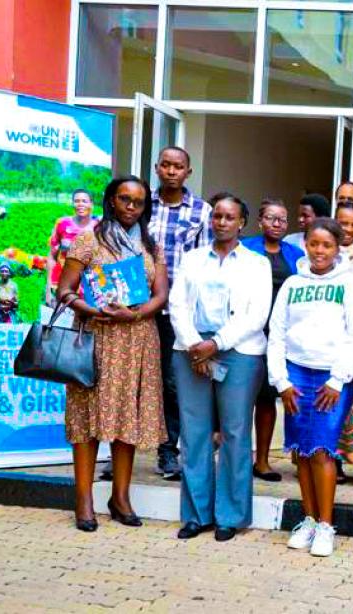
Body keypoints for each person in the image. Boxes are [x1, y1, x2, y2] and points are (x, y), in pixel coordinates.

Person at [55, 175, 169, 532]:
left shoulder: (151, 245)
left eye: (138, 202)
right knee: (88, 421)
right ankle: (84, 499)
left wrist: (134, 313)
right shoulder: (89, 240)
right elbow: (65, 290)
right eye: (124, 200)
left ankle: (120, 497)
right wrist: (94, 311)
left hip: (138, 341)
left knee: (127, 421)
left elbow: (161, 295)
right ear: (111, 201)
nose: (131, 207)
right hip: (96, 339)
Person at [168, 193, 271, 542]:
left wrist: (216, 344)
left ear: (242, 222)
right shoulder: (193, 258)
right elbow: (177, 303)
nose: (222, 222)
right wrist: (195, 344)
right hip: (190, 350)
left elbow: (256, 314)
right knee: (194, 433)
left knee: (234, 433)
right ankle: (197, 515)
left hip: (238, 351)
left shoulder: (257, 264)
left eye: (230, 217)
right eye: (217, 217)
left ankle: (230, 515)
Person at [270, 218, 353, 558]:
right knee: (301, 451)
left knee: (323, 450)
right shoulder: (293, 283)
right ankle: (309, 520)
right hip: (295, 374)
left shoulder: (350, 284)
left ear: (337, 248)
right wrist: (281, 380)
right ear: (306, 245)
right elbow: (277, 332)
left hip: (331, 379)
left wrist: (338, 378)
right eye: (314, 244)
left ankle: (326, 525)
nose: (320, 251)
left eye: (327, 245)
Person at [149, 146, 212, 481]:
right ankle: (121, 451)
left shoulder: (203, 212)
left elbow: (206, 263)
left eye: (179, 166)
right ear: (158, 168)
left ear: (188, 171)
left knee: (174, 383)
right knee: (139, 380)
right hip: (140, 309)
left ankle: (168, 450)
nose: (172, 171)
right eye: (166, 165)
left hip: (179, 314)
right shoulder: (141, 206)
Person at [242, 199, 304, 481]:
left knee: (267, 399)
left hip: (280, 335)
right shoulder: (245, 248)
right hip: (246, 331)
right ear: (260, 221)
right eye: (271, 218)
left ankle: (263, 461)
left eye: (282, 219)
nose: (277, 224)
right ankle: (239, 459)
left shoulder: (296, 253)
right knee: (241, 398)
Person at [48, 189, 99, 303]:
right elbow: (52, 257)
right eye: (76, 201)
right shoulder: (62, 224)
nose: (80, 204)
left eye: (84, 201)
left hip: (90, 285)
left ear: (91, 204)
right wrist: (48, 289)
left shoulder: (99, 226)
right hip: (63, 284)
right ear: (72, 204)